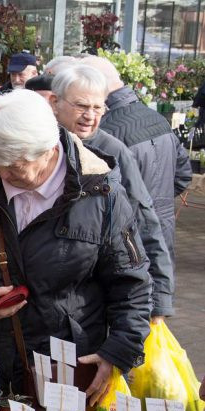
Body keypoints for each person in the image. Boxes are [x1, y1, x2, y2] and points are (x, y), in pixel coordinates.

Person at [0, 89, 151, 404]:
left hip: (66, 369)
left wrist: (117, 354)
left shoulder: (101, 196)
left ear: (47, 150)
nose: (3, 175)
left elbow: (132, 286)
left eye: (13, 167)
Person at [49, 64, 174, 321]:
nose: (90, 116)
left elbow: (145, 221)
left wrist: (159, 301)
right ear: (54, 102)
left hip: (91, 297)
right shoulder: (40, 145)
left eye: (98, 107)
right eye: (82, 106)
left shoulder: (114, 152)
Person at [82, 55, 191, 262]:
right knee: (160, 289)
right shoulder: (158, 119)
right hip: (161, 232)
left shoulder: (104, 132)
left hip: (126, 240)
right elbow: (183, 176)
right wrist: (157, 203)